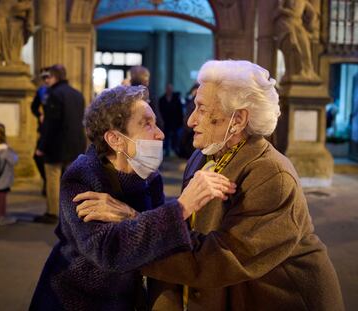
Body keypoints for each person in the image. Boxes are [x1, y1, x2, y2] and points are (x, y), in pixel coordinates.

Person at [78, 60, 345, 310]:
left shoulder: (272, 175)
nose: (191, 120)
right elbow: (192, 223)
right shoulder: (205, 153)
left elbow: (216, 260)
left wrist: (133, 222)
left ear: (237, 120)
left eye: (202, 109)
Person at [30, 85, 235, 310]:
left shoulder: (149, 177)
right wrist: (181, 207)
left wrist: (129, 215)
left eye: (155, 122)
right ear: (115, 140)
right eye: (146, 124)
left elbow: (155, 240)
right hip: (74, 300)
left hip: (125, 300)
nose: (160, 133)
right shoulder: (82, 176)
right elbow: (109, 251)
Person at [34, 64, 86, 224]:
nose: (46, 80)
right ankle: (72, 212)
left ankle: (52, 212)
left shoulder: (54, 94)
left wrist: (41, 146)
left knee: (53, 177)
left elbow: (50, 124)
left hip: (56, 145)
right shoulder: (77, 94)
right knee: (71, 179)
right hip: (76, 144)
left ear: (55, 77)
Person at [0, 0, 33, 65]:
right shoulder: (9, 3)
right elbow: (16, 9)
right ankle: (10, 59)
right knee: (1, 43)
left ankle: (11, 59)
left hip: (7, 26)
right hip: (2, 25)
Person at [31, 67, 50, 196]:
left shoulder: (58, 91)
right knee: (38, 156)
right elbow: (34, 107)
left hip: (55, 130)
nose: (46, 80)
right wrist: (39, 114)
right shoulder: (41, 91)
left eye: (48, 77)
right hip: (44, 129)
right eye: (44, 78)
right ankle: (46, 180)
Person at [130, 65, 164, 130]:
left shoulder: (125, 94)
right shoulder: (149, 95)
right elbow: (157, 117)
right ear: (145, 79)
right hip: (147, 130)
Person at [158, 84, 184, 157]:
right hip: (165, 122)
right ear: (166, 89)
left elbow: (180, 111)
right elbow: (160, 111)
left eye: (170, 89)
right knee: (165, 137)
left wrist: (180, 121)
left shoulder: (176, 99)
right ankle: (166, 151)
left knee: (175, 137)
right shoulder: (162, 99)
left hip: (174, 122)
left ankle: (174, 150)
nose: (169, 90)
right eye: (168, 89)